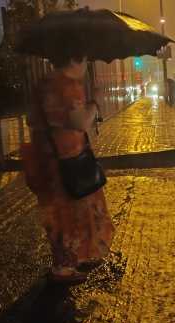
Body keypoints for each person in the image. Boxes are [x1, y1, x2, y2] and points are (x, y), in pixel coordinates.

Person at [24, 50, 114, 284]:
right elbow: (80, 122)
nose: (86, 64)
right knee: (73, 211)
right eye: (85, 59)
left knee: (57, 211)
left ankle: (72, 259)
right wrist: (95, 103)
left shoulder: (43, 83)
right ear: (76, 58)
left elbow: (31, 118)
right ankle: (65, 267)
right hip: (67, 160)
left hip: (46, 156)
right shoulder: (68, 85)